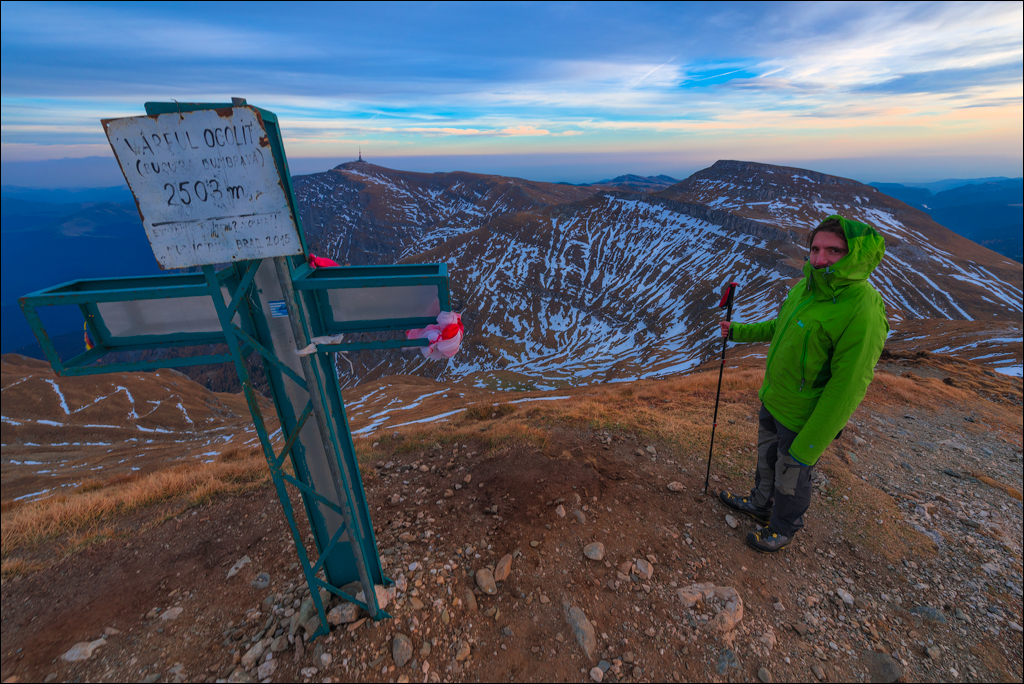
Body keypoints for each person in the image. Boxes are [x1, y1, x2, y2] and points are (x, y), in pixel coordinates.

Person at [718, 215, 888, 552]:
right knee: (767, 460)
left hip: (803, 417)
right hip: (774, 400)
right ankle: (759, 504)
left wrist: (812, 442)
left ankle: (782, 528)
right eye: (815, 248)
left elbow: (847, 387)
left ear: (854, 255)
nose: (820, 259)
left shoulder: (863, 310)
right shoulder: (805, 287)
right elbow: (779, 326)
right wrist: (737, 332)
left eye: (834, 251)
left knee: (792, 474)